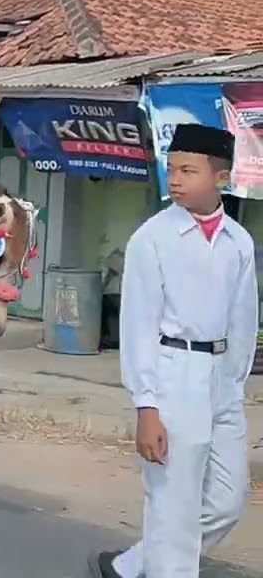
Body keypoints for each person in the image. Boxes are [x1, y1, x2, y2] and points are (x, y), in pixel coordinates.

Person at [92, 124, 257, 578]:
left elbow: (244, 323)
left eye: (188, 170)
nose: (176, 179)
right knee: (174, 508)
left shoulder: (239, 243)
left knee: (227, 501)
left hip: (221, 382)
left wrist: (234, 391)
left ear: (220, 178)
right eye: (172, 169)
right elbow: (138, 324)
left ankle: (131, 566)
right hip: (173, 376)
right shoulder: (153, 238)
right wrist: (146, 405)